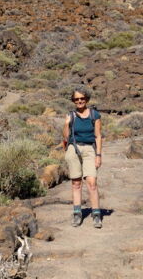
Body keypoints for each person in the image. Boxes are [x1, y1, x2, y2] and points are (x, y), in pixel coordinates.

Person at [62, 86, 103, 228]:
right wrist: (67, 124)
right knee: (76, 183)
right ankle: (77, 213)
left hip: (89, 150)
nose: (79, 101)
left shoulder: (94, 115)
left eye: (82, 98)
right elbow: (66, 137)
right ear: (73, 100)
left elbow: (98, 136)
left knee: (91, 182)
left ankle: (96, 214)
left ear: (87, 99)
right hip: (74, 149)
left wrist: (98, 155)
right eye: (76, 99)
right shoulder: (71, 115)